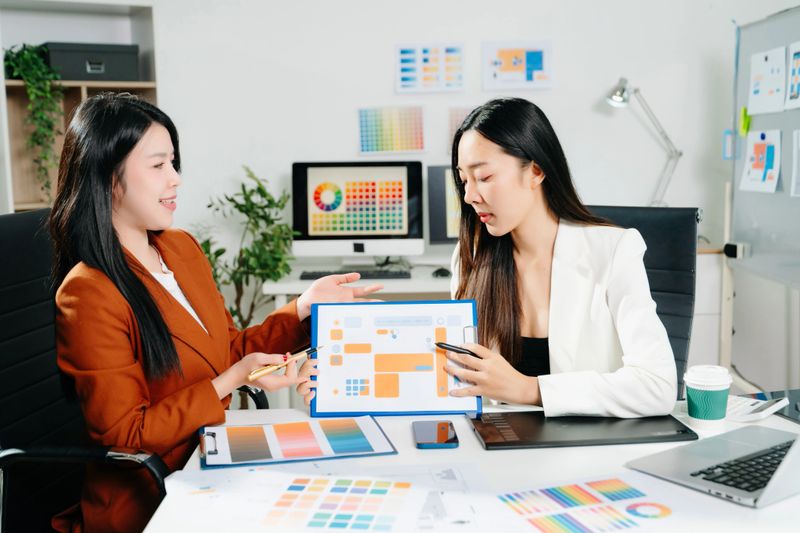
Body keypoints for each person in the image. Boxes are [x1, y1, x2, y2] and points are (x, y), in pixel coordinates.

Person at [49, 92, 381, 533]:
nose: (175, 179)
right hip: (151, 497)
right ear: (110, 177)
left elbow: (226, 349)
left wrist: (305, 308)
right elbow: (126, 436)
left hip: (210, 458)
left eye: (174, 163)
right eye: (158, 165)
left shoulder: (180, 248)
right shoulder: (88, 292)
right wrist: (233, 379)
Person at [440, 97, 676, 418]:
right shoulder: (470, 256)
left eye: (484, 177)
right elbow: (457, 369)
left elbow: (658, 386)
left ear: (536, 171)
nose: (469, 196)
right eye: (464, 180)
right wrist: (375, 324)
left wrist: (529, 389)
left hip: (589, 442)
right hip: (498, 439)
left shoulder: (614, 251)